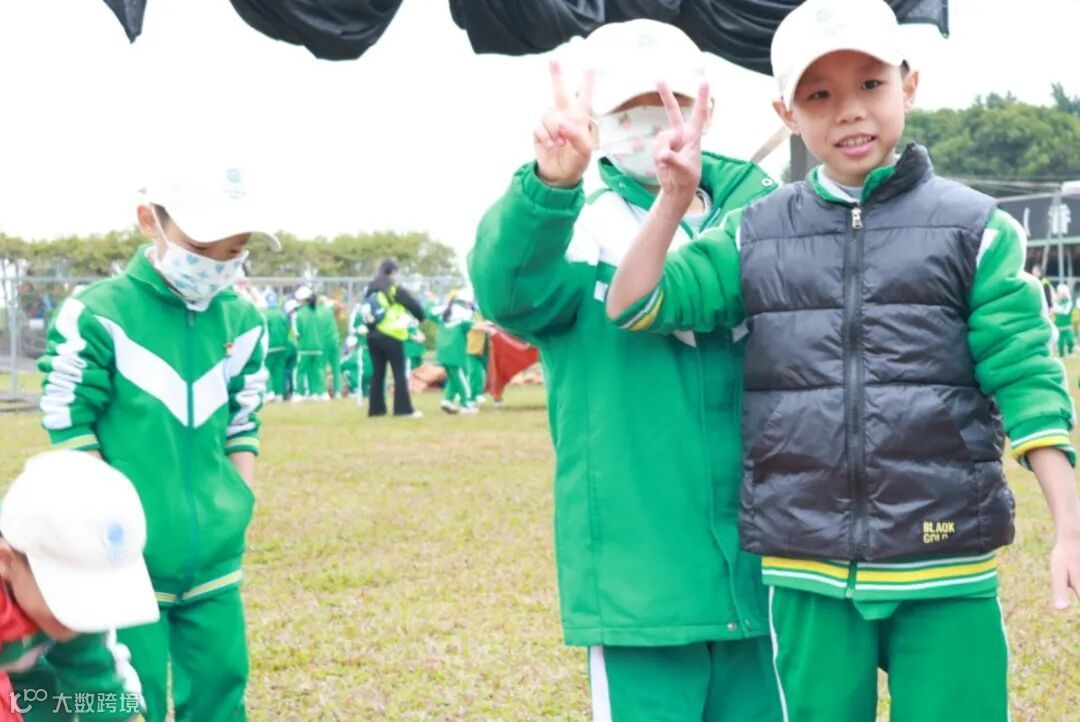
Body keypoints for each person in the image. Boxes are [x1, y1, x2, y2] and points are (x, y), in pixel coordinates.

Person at [606, 2, 1080, 720]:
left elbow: (1026, 379)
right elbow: (637, 303)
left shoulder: (976, 228)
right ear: (787, 113)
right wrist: (673, 199)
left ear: (908, 86)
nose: (849, 110)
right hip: (808, 568)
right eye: (819, 94)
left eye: (870, 84)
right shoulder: (756, 232)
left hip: (946, 561)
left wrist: (1069, 525)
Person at [469, 19, 782, 722]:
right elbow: (508, 293)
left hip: (772, 573)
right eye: (626, 112)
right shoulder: (577, 229)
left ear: (707, 107)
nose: (651, 125)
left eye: (669, 103)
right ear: (597, 125)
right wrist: (549, 186)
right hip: (639, 587)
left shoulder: (769, 217)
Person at [37, 162, 277, 722]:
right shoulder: (99, 313)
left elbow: (244, 419)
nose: (217, 262)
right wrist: (107, 519)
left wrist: (239, 498)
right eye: (202, 246)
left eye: (234, 249)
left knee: (222, 686)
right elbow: (67, 417)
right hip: (123, 560)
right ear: (150, 221)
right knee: (125, 697)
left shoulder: (244, 321)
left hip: (215, 557)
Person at [3, 450, 158, 722]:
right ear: (6, 562)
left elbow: (99, 686)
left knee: (49, 703)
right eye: (68, 594)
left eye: (98, 594)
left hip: (24, 676)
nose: (82, 615)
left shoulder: (77, 619)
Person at [362, 260, 426, 418]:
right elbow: (414, 306)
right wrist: (421, 317)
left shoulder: (371, 290)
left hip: (372, 336)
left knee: (378, 373)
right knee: (399, 373)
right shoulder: (393, 290)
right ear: (392, 273)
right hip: (391, 335)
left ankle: (376, 410)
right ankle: (403, 409)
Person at [435, 292, 476, 415]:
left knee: (454, 377)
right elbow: (472, 325)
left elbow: (429, 313)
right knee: (462, 377)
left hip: (443, 350)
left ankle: (447, 400)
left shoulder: (444, 311)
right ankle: (466, 404)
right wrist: (491, 327)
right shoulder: (463, 313)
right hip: (455, 351)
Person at [292, 286, 326, 401]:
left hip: (304, 347)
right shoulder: (318, 311)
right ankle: (320, 392)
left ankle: (299, 393)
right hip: (318, 346)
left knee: (301, 371)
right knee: (318, 370)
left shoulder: (298, 314)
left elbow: (296, 333)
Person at [263, 291, 291, 401]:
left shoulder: (265, 315)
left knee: (267, 369)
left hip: (269, 347)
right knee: (279, 370)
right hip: (282, 346)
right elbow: (288, 329)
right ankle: (279, 393)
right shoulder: (282, 314)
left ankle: (270, 391)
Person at [316, 295, 343, 398]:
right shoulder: (329, 309)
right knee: (336, 367)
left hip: (324, 342)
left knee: (322, 367)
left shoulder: (316, 311)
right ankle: (338, 391)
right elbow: (339, 305)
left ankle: (323, 391)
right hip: (335, 340)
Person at [1052, 283, 1075, 357]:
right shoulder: (1055, 302)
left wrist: (1057, 310)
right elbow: (1054, 309)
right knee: (1060, 342)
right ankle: (1061, 355)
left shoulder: (1069, 302)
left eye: (1064, 292)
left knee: (1070, 340)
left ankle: (1070, 351)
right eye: (1061, 293)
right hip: (1058, 326)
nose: (1062, 294)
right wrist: (1057, 309)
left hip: (1067, 326)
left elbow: (1066, 312)